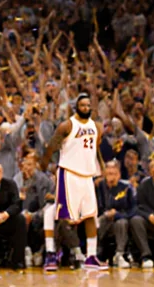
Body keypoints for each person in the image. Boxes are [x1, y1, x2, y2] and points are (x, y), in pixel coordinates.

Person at [39, 93, 107, 271]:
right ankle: (52, 255)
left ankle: (91, 256)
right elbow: (52, 147)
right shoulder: (67, 125)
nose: (86, 108)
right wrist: (44, 165)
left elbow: (95, 149)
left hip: (87, 176)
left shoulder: (97, 127)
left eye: (88, 105)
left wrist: (102, 166)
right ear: (76, 107)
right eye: (82, 105)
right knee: (64, 217)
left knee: (90, 215)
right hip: (69, 174)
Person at [94, 160, 136, 268]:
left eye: (113, 174)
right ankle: (96, 252)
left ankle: (119, 255)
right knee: (101, 220)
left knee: (121, 222)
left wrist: (117, 214)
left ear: (119, 175)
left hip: (121, 220)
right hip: (103, 220)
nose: (110, 177)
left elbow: (133, 209)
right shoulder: (99, 187)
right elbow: (97, 207)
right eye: (108, 174)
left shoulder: (126, 188)